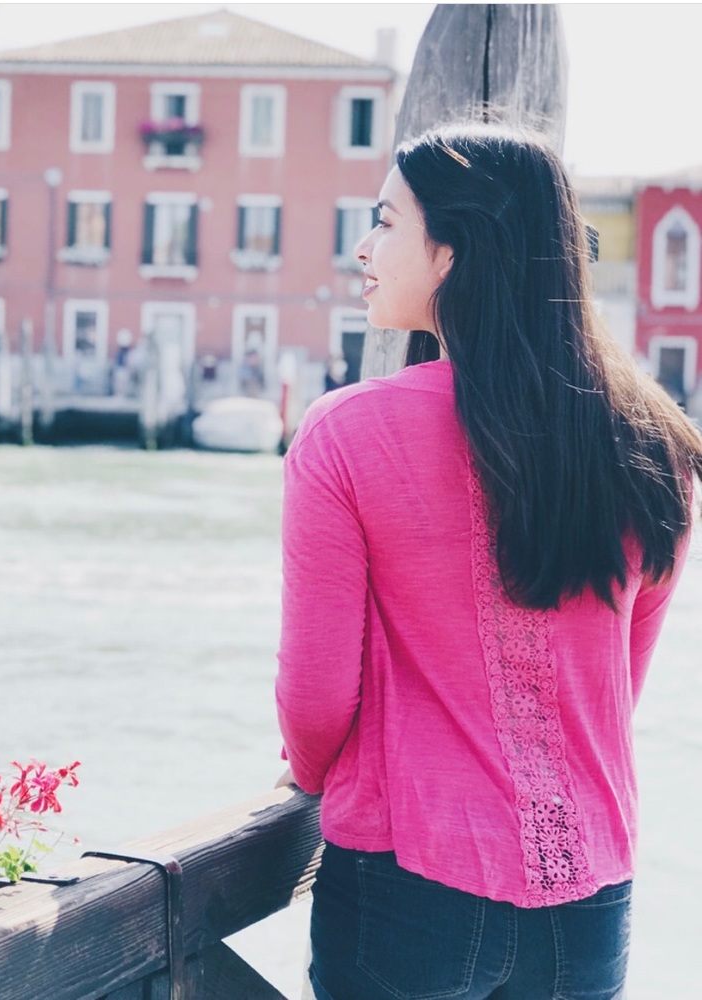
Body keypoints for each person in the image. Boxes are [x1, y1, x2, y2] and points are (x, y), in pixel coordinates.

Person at [275, 121, 702, 1000]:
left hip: (408, 886)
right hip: (590, 897)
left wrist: (309, 772)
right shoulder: (654, 444)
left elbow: (318, 699)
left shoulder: (345, 434)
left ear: (451, 253)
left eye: (387, 222)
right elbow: (615, 688)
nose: (365, 247)